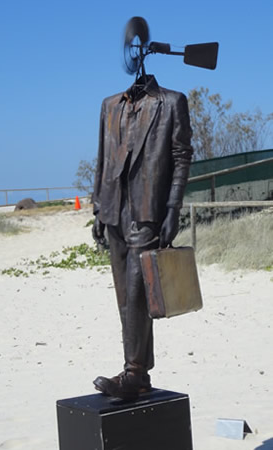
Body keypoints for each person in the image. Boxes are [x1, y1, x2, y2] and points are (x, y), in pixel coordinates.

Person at [92, 74, 193, 400]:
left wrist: (173, 208)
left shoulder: (171, 102)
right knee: (124, 298)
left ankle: (134, 372)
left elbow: (181, 157)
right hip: (114, 209)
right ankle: (138, 372)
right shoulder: (110, 106)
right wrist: (97, 207)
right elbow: (103, 158)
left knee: (137, 293)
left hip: (148, 210)